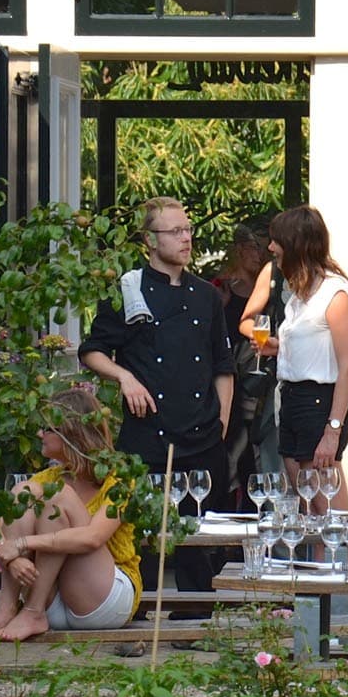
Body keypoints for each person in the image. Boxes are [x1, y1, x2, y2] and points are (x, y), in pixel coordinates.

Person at [79, 197, 234, 595]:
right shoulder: (128, 289)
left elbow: (223, 366)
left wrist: (221, 423)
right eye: (175, 231)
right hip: (148, 439)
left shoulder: (207, 295)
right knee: (142, 543)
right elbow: (92, 351)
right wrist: (124, 377)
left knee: (199, 547)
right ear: (150, 240)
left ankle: (198, 620)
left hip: (203, 440)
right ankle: (138, 614)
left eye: (188, 229)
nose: (186, 238)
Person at [0, 388, 143, 642]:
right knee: (25, 491)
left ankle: (31, 611)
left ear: (72, 433)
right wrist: (12, 559)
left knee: (57, 496)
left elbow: (93, 538)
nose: (40, 434)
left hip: (103, 600)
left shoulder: (118, 478)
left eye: (47, 428)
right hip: (52, 603)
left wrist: (22, 543)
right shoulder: (46, 478)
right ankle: (9, 610)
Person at [242, 205, 348, 509]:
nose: (270, 248)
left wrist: (333, 430)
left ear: (295, 244)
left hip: (319, 402)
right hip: (291, 399)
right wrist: (278, 347)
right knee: (305, 507)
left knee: (326, 509)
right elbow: (315, 346)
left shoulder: (335, 293)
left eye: (276, 240)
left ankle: (346, 546)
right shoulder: (298, 293)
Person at [216, 220, 279, 501]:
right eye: (255, 247)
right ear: (240, 249)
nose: (261, 254)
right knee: (236, 444)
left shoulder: (268, 285)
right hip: (234, 370)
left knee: (258, 440)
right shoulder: (222, 285)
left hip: (261, 370)